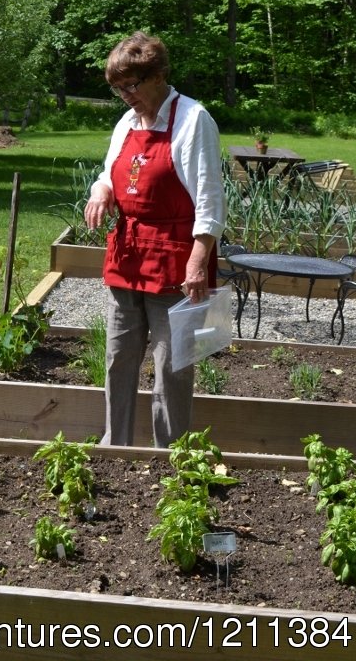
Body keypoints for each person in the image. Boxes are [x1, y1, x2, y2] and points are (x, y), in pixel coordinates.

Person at [84, 32, 226, 447]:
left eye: (133, 85)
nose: (126, 95)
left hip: (175, 265)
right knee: (118, 360)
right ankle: (117, 448)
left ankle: (173, 457)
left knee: (171, 368)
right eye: (118, 88)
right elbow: (109, 174)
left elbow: (210, 200)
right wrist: (101, 191)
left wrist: (198, 263)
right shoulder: (128, 121)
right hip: (127, 260)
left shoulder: (192, 119)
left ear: (159, 75)